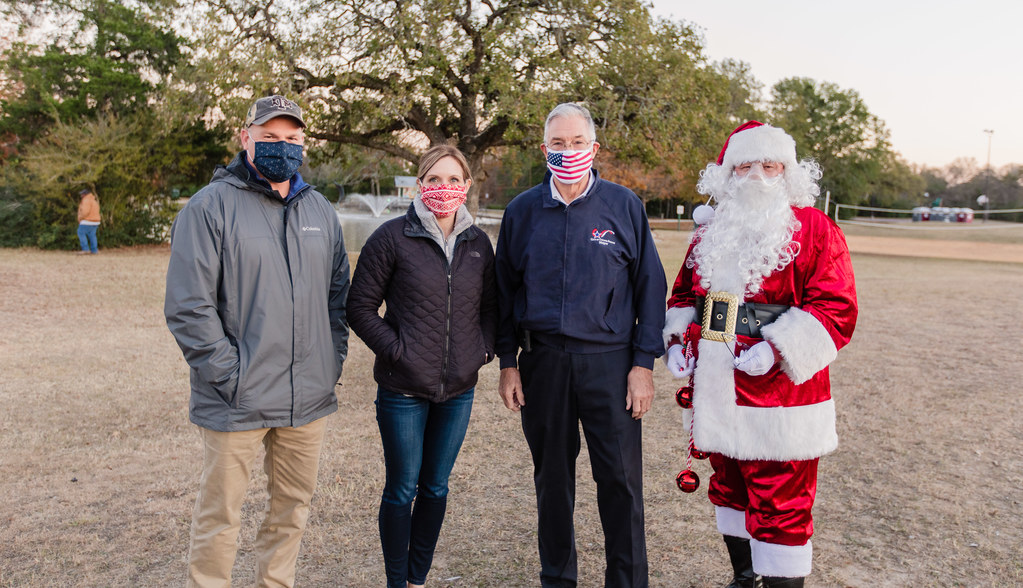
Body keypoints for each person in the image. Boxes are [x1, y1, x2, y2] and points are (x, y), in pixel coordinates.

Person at [164, 94, 350, 588]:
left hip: (306, 399)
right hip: (236, 399)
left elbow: (337, 300)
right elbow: (189, 307)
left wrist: (328, 364)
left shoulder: (321, 212)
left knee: (290, 513)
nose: (280, 146)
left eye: (291, 138)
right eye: (269, 136)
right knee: (220, 516)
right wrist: (230, 374)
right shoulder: (209, 208)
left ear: (304, 145)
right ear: (245, 137)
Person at [662, 121, 857, 588]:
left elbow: (837, 306)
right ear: (727, 174)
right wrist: (677, 342)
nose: (757, 176)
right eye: (745, 166)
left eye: (769, 166)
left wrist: (777, 349)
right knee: (730, 491)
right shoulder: (711, 230)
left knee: (781, 504)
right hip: (717, 384)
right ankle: (743, 579)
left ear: (787, 171)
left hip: (781, 397)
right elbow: (684, 295)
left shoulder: (814, 228)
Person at [495, 102, 667, 587]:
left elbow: (651, 286)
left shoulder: (623, 205)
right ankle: (558, 578)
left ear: (593, 148)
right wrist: (509, 363)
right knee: (553, 482)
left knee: (621, 483)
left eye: (576, 143)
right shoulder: (523, 210)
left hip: (611, 364)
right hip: (543, 363)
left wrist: (643, 364)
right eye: (557, 143)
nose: (566, 151)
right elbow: (503, 293)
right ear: (543, 148)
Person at [348, 144, 496, 588]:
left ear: (467, 187)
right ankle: (397, 582)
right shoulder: (392, 237)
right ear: (420, 185)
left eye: (454, 180)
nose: (444, 188)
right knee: (402, 488)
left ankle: (417, 579)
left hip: (458, 391)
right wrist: (398, 352)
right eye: (434, 179)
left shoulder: (478, 243)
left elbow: (491, 308)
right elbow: (359, 307)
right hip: (402, 391)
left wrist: (481, 351)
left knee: (436, 487)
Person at [76, 188, 100, 254]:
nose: (81, 195)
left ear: (85, 194)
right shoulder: (94, 201)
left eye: (82, 194)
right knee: (92, 235)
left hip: (87, 220)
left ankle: (85, 249)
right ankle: (94, 250)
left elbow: (85, 212)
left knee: (80, 232)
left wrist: (80, 217)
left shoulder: (86, 200)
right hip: (95, 221)